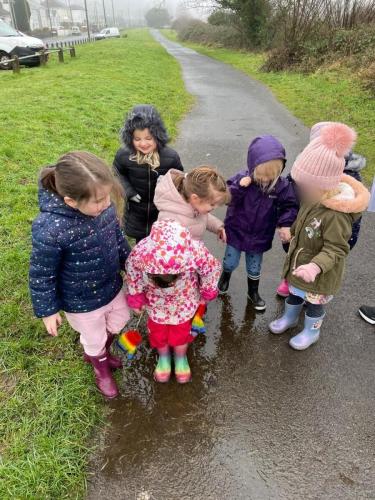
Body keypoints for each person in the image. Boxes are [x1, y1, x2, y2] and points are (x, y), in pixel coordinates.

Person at [29, 152, 131, 399]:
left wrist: (129, 264)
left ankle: (99, 352)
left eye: (107, 196)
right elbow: (42, 273)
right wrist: (48, 310)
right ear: (72, 201)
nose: (107, 203)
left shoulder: (104, 210)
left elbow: (117, 239)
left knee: (121, 317)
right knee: (93, 336)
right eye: (99, 200)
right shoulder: (51, 229)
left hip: (111, 285)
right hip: (81, 299)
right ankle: (100, 367)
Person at [269, 123, 370, 350]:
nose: (300, 189)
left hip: (319, 274)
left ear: (323, 184)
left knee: (314, 304)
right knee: (295, 294)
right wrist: (291, 231)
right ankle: (290, 317)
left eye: (305, 185)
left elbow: (337, 249)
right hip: (300, 264)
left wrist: (315, 267)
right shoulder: (312, 198)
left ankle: (310, 331)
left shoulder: (336, 215)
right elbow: (302, 220)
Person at [125, 220, 221, 384]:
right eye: (160, 277)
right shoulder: (141, 252)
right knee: (157, 331)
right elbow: (132, 273)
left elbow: (211, 269)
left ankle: (180, 357)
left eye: (172, 277)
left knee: (181, 332)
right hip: (156, 303)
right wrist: (137, 297)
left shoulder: (195, 251)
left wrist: (207, 290)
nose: (169, 282)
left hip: (184, 300)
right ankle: (163, 357)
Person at [218, 135, 299, 311]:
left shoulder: (282, 186)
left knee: (254, 267)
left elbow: (290, 206)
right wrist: (240, 186)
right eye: (262, 175)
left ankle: (253, 292)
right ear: (252, 166)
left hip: (260, 235)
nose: (265, 180)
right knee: (230, 261)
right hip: (236, 230)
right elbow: (227, 198)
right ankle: (225, 277)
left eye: (271, 176)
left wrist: (285, 224)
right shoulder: (242, 178)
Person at [113, 105, 184, 244]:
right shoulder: (124, 155)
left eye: (148, 138)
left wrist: (169, 190)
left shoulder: (170, 157)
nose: (143, 143)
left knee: (162, 244)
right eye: (137, 139)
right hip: (137, 211)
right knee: (142, 243)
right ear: (130, 138)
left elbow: (180, 179)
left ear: (157, 136)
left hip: (162, 212)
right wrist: (128, 191)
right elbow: (116, 172)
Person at [154, 165, 230, 241]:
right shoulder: (170, 219)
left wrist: (217, 227)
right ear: (195, 198)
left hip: (193, 249)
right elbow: (166, 248)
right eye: (212, 204)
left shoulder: (194, 205)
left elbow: (204, 217)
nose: (215, 207)